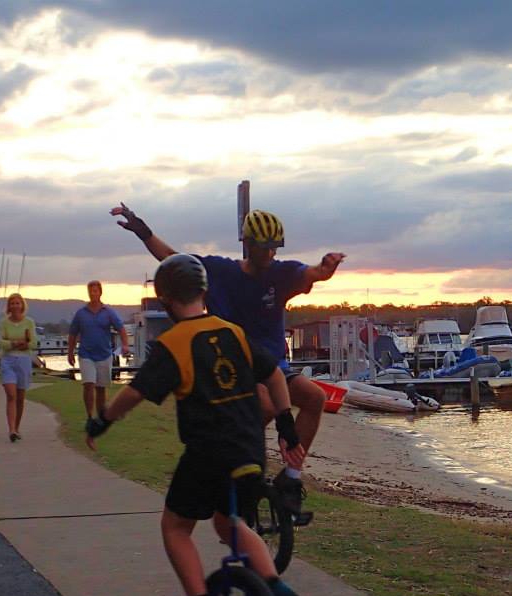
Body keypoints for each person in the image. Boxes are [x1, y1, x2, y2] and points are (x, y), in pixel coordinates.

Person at [85, 253, 305, 596]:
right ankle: (276, 590)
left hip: (209, 452)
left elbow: (134, 393)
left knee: (175, 526)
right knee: (228, 522)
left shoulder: (173, 343)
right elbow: (273, 375)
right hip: (250, 447)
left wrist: (103, 420)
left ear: (166, 299)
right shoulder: (233, 332)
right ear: (204, 292)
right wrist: (286, 425)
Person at [110, 202, 344, 519]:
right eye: (265, 248)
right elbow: (172, 259)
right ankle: (241, 472)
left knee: (315, 398)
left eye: (275, 248)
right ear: (248, 245)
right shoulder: (220, 272)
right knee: (263, 407)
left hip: (273, 366)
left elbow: (313, 273)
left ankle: (289, 482)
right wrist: (142, 230)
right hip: (232, 368)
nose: (270, 255)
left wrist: (326, 268)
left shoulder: (282, 274)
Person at [67, 280, 130, 419]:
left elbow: (121, 328)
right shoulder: (81, 313)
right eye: (90, 291)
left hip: (104, 354)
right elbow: (72, 333)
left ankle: (100, 417)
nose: (92, 293)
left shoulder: (108, 312)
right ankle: (90, 416)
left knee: (100, 388)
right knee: (88, 384)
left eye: (95, 290)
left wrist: (125, 345)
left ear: (100, 292)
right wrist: (70, 352)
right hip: (86, 354)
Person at [0, 293, 37, 442]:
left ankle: (17, 427)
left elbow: (33, 343)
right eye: (12, 303)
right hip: (8, 360)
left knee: (20, 397)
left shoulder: (29, 322)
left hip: (24, 361)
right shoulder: (4, 323)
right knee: (11, 395)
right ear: (9, 306)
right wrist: (14, 343)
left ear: (22, 305)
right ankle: (11, 430)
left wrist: (23, 343)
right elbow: (1, 342)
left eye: (17, 303)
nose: (15, 306)